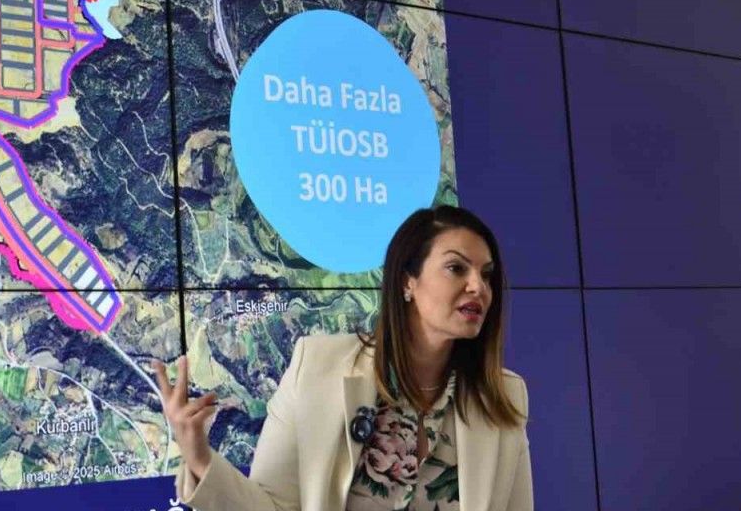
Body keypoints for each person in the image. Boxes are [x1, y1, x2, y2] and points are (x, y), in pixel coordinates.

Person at [152, 205, 533, 511]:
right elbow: (273, 506)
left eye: (487, 275)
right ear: (408, 281)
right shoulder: (318, 367)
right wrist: (199, 458)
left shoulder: (505, 396)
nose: (478, 287)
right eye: (456, 268)